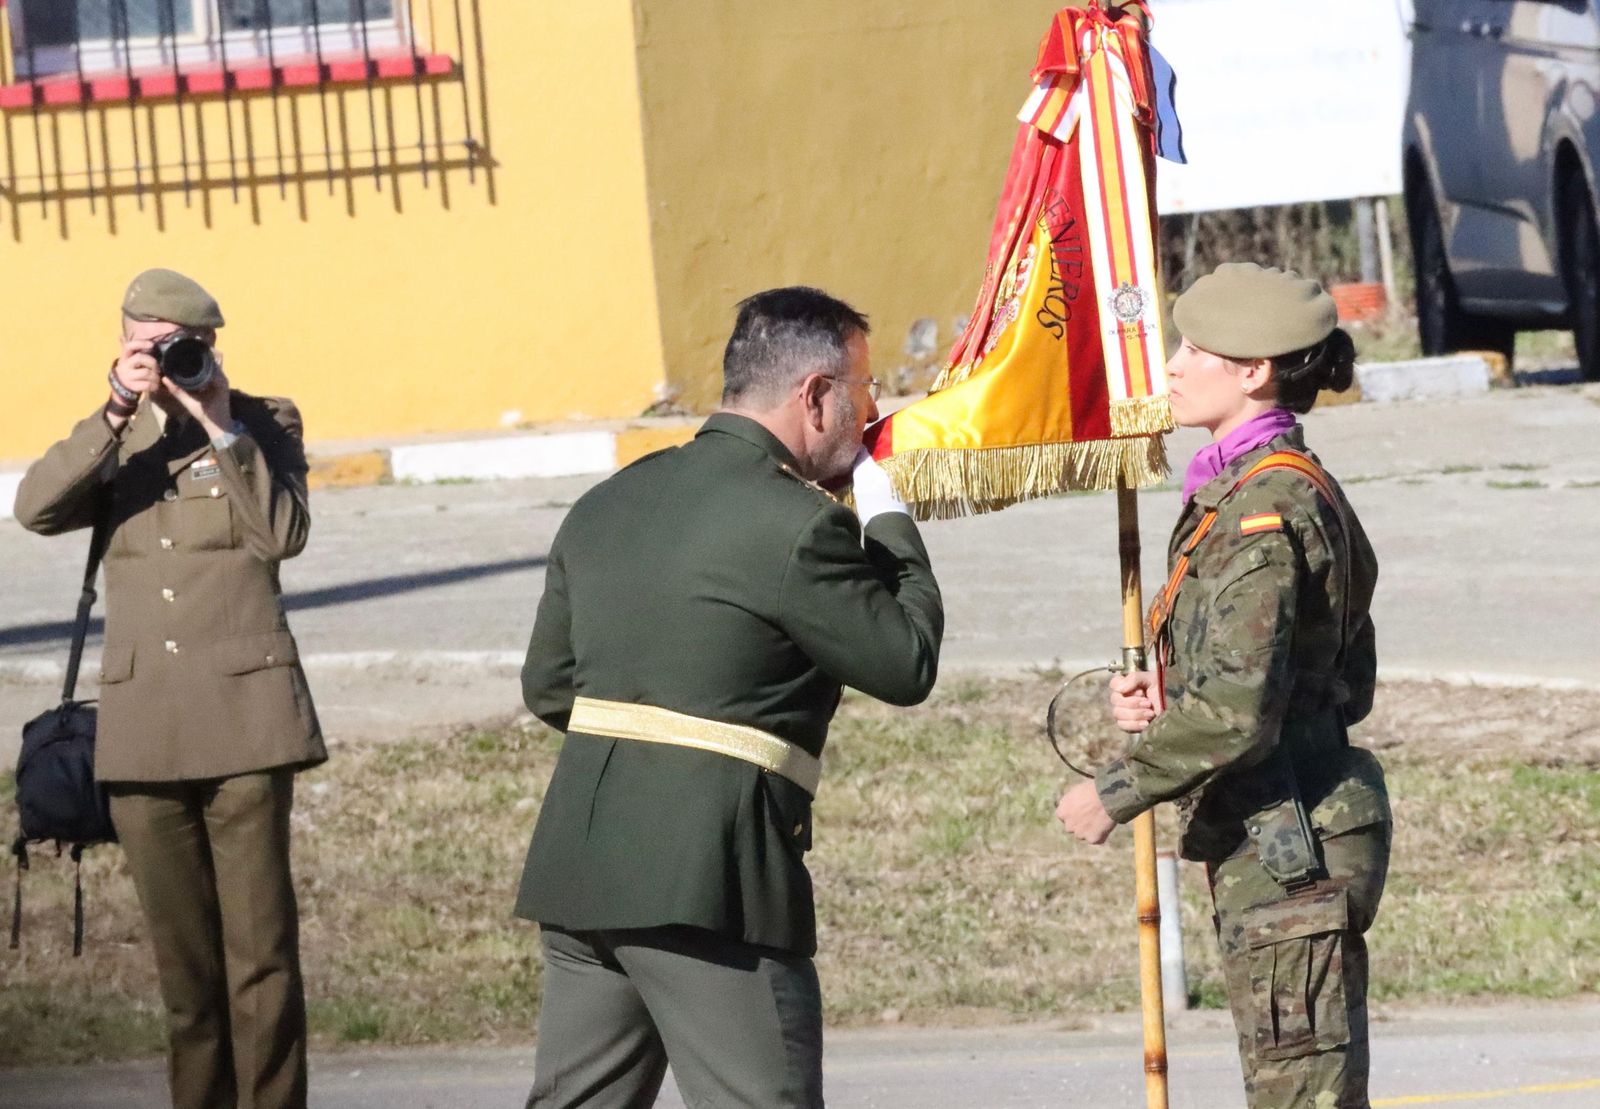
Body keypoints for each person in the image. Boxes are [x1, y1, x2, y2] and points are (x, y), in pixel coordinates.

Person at [514, 286, 944, 1108]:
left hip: (583, 865)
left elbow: (549, 686)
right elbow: (906, 661)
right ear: (815, 397)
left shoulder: (609, 501)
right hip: (711, 879)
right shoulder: (799, 526)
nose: (872, 409)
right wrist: (888, 520)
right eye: (863, 390)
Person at [1055, 263, 1391, 1108]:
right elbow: (1333, 673)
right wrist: (1169, 696)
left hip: (1290, 843)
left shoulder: (1262, 511)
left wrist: (1116, 789)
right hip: (1281, 830)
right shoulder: (1259, 488)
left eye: (1194, 348)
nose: (1170, 363)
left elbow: (1240, 714)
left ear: (1254, 372)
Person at [14, 269, 324, 1109]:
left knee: (261, 962)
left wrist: (220, 424)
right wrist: (117, 406)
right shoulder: (113, 441)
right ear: (125, 341)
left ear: (211, 345)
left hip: (249, 727)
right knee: (186, 980)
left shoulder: (262, 421)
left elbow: (284, 534)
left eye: (185, 345)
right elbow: (34, 509)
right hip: (144, 732)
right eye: (154, 345)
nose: (174, 358)